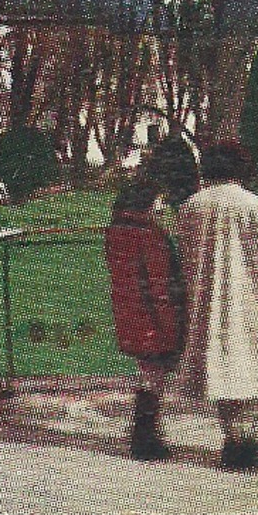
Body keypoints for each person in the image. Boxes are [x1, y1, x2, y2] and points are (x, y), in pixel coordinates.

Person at [176, 141, 258, 470]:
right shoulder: (253, 204)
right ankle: (257, 439)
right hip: (250, 295)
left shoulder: (191, 206)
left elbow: (186, 255)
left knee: (222, 366)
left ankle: (233, 438)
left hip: (208, 298)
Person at [105, 177, 184, 459]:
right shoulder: (149, 235)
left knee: (148, 374)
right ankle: (146, 438)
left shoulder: (117, 231)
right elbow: (159, 282)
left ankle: (145, 433)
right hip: (153, 315)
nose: (162, 207)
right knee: (153, 376)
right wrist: (172, 325)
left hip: (130, 312)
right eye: (158, 202)